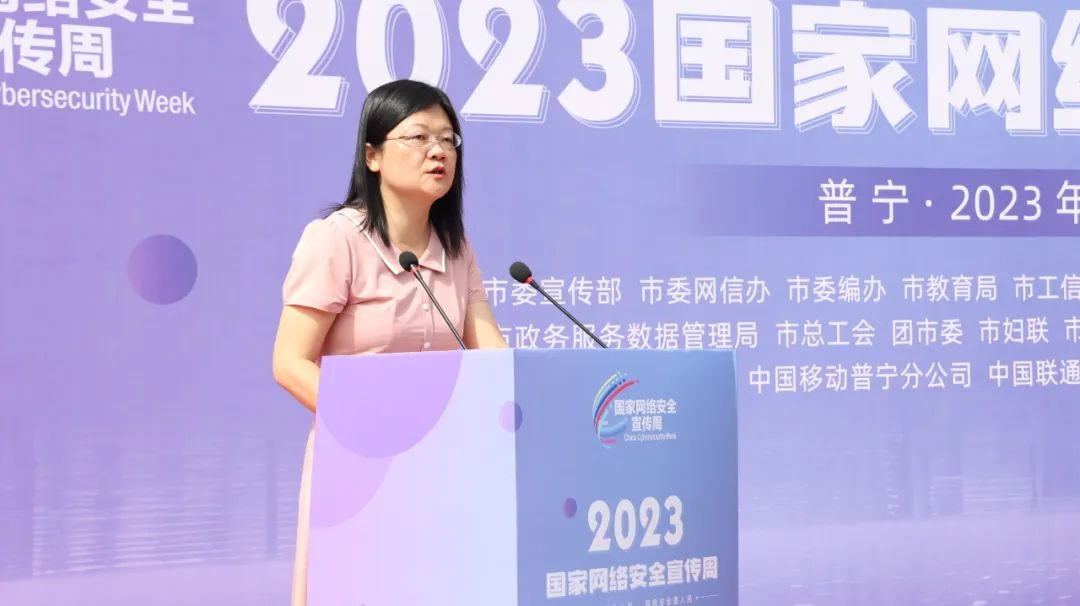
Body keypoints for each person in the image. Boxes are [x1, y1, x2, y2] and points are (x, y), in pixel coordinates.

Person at [271, 79, 508, 605]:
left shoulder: (456, 248)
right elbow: (290, 362)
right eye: (418, 137)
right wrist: (371, 426)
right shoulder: (336, 239)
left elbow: (489, 349)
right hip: (358, 463)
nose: (437, 151)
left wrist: (515, 404)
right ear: (372, 156)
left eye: (448, 139)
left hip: (441, 462)